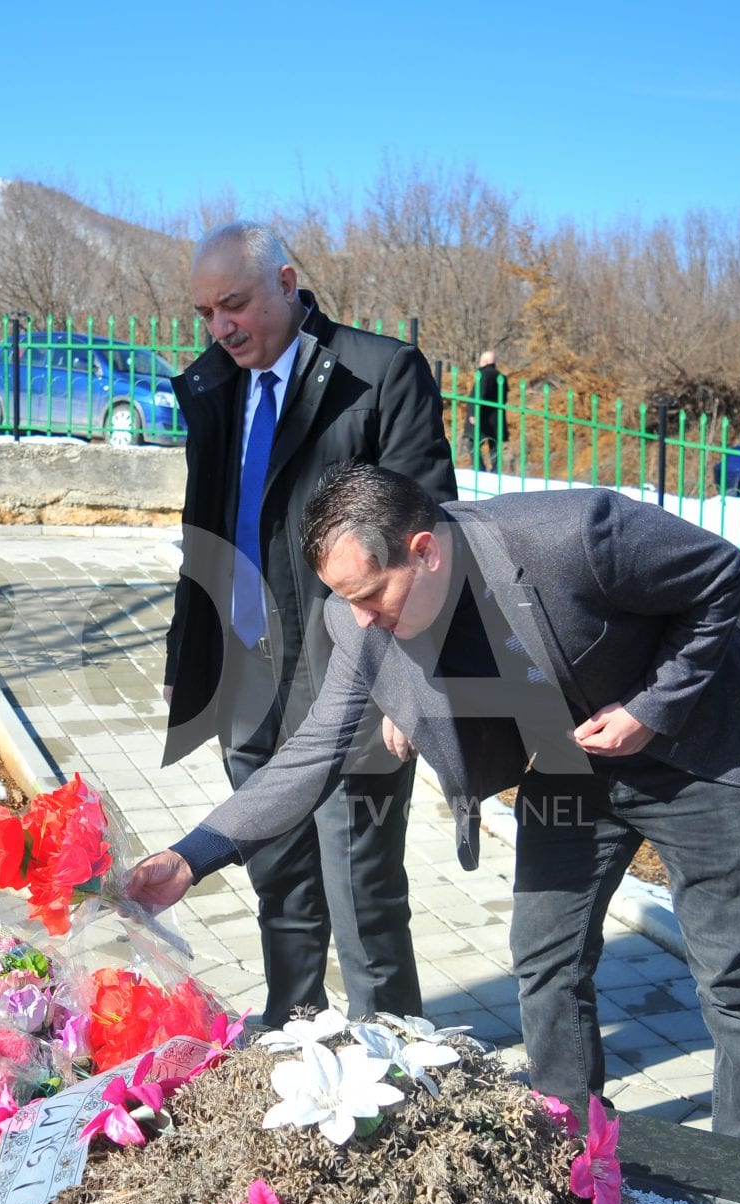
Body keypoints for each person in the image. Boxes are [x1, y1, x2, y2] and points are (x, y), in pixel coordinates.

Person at [131, 463, 740, 1145]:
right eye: (346, 599)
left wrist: (650, 708)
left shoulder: (578, 534)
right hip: (573, 761)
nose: (360, 619)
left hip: (702, 752)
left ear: (425, 550)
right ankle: (571, 1145)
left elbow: (722, 574)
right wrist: (191, 857)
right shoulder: (359, 619)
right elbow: (314, 751)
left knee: (732, 979)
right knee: (546, 960)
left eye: (371, 595)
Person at [162, 223, 457, 1027]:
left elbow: (430, 541)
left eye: (234, 303)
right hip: (243, 678)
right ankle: (296, 1040)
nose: (220, 327)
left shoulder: (378, 374)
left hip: (348, 678)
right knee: (278, 883)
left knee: (361, 891)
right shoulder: (213, 387)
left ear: (287, 283)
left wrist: (406, 678)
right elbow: (203, 530)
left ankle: (393, 1062)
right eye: (204, 312)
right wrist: (188, 656)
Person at [472, 351, 508, 471]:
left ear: (485, 361)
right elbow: (504, 399)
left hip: (483, 417)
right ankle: (495, 471)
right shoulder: (501, 377)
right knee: (494, 446)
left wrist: (474, 413)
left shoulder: (483, 374)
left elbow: (480, 395)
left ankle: (480, 470)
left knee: (472, 442)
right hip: (496, 418)